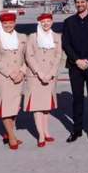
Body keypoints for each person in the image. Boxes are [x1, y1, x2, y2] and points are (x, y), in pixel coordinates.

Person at [61, 0, 88, 142]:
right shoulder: (69, 22)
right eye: (77, 2)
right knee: (77, 99)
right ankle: (76, 129)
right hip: (75, 65)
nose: (80, 4)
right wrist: (77, 60)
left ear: (87, 3)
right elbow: (66, 44)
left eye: (82, 2)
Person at [24, 13, 63, 148]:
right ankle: (40, 134)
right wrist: (40, 73)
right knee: (37, 106)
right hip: (36, 76)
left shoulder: (56, 37)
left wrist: (51, 73)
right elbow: (29, 56)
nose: (46, 23)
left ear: (52, 22)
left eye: (48, 21)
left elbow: (58, 56)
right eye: (43, 21)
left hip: (50, 76)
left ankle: (46, 131)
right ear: (39, 23)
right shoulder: (33, 37)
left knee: (46, 106)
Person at [0, 11, 27, 150]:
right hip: (4, 78)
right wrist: (11, 73)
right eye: (5, 23)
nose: (8, 25)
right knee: (6, 108)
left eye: (11, 23)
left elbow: (27, 57)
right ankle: (11, 137)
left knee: (14, 107)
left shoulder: (22, 37)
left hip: (19, 77)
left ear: (15, 23)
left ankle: (9, 133)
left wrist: (22, 72)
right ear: (1, 24)